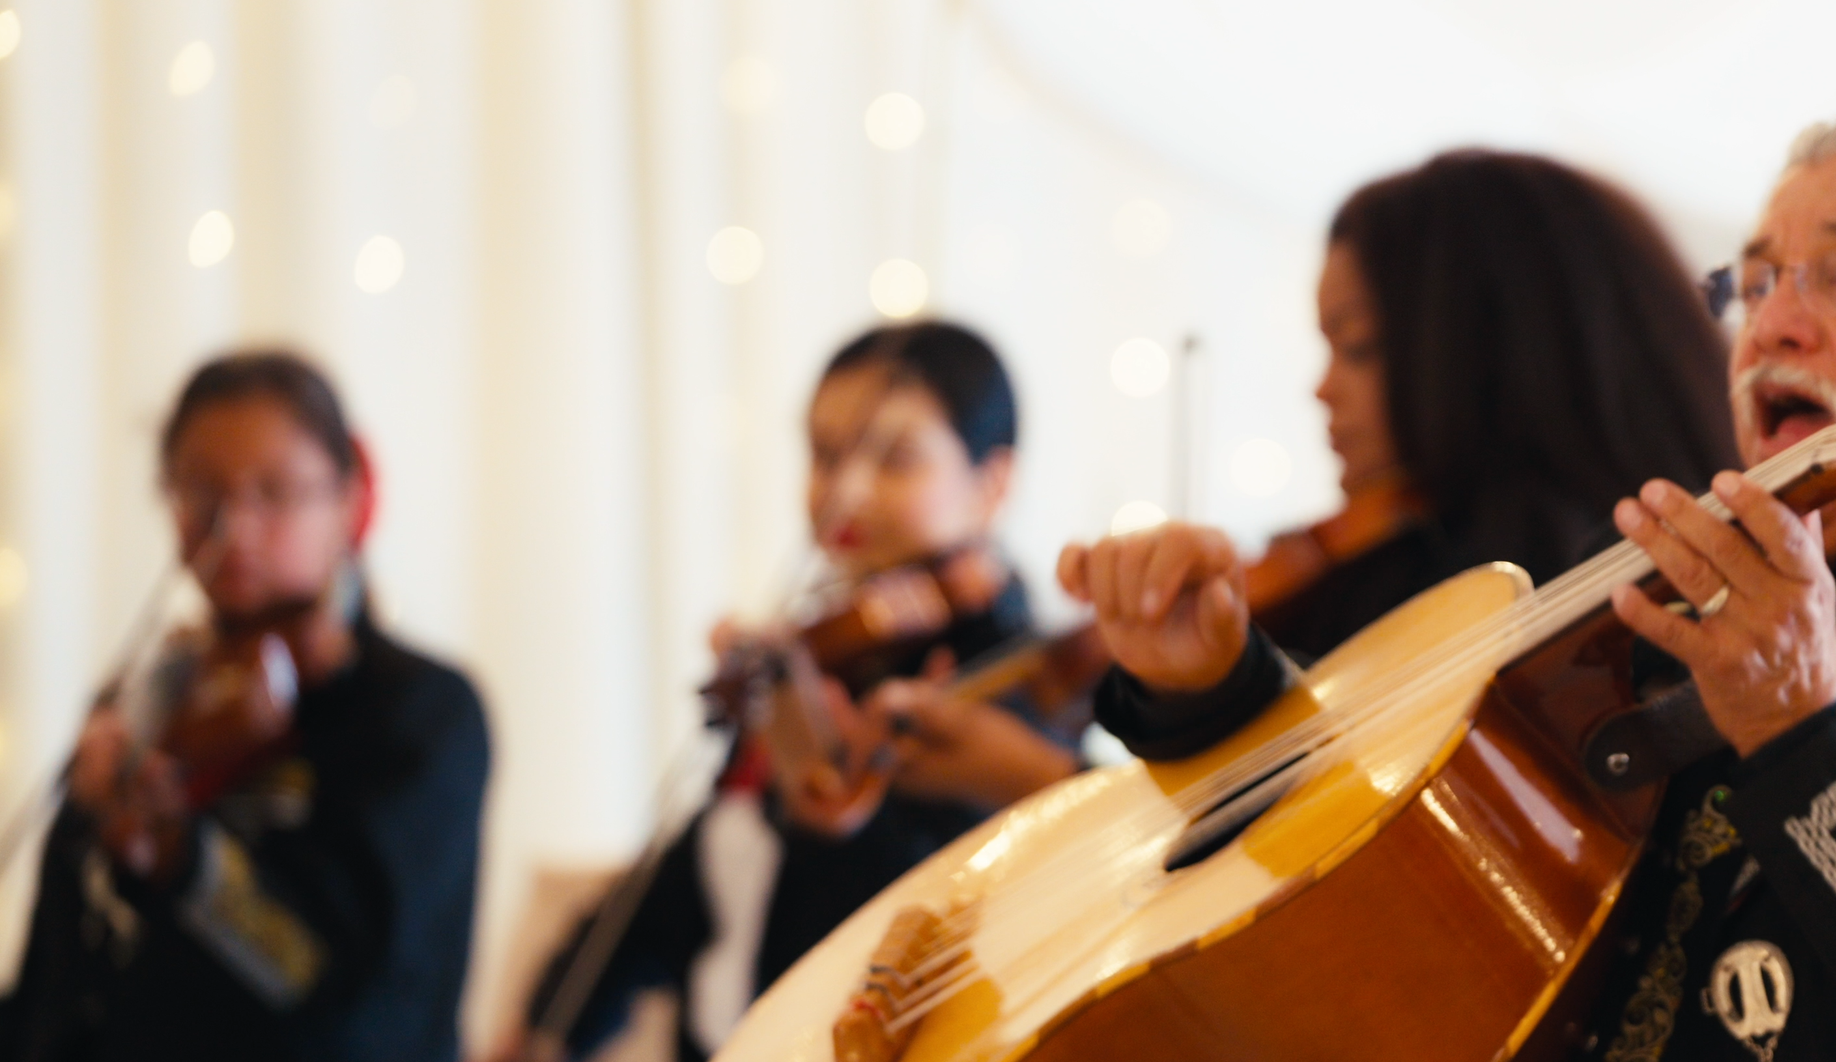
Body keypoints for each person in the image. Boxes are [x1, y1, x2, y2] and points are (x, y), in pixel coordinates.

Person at [1065, 116, 1836, 1061]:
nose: (1774, 326)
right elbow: (1378, 877)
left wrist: (1809, 733)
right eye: (1756, 282)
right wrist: (1211, 687)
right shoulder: (1640, 624)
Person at [512, 321, 1080, 1061]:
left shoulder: (1021, 680)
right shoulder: (822, 657)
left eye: (894, 459)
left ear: (992, 484)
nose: (844, 492)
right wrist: (549, 1024)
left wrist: (829, 816)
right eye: (825, 454)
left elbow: (930, 930)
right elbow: (689, 880)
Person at [1061, 148, 1741, 761]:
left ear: (1484, 347)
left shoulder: (1525, 587)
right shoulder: (1386, 555)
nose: (1322, 388)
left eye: (1357, 346)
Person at [0, 351, 493, 1062]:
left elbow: (345, 989)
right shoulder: (142, 702)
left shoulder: (417, 709)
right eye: (200, 491)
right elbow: (55, 986)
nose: (232, 526)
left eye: (275, 491)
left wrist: (179, 854)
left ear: (348, 501)